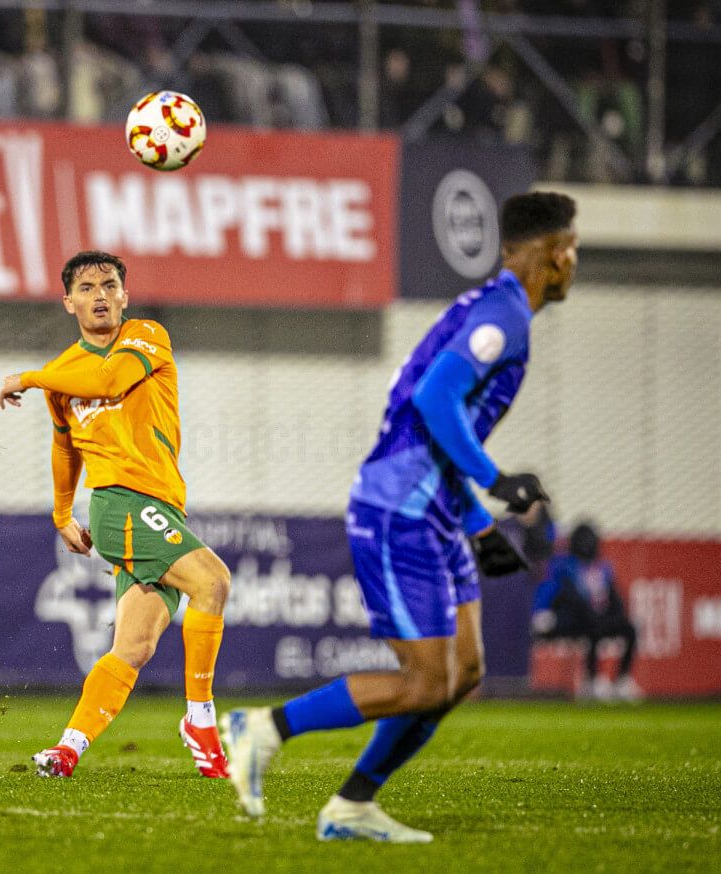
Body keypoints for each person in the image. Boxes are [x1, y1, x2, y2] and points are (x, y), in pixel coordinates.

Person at [222, 192, 579, 842]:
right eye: (572, 249)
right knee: (426, 683)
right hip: (399, 510)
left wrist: (477, 523)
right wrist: (495, 481)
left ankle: (352, 806)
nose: (574, 262)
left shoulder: (489, 308)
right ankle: (265, 728)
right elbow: (435, 399)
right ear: (553, 256)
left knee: (464, 673)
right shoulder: (504, 316)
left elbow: (438, 428)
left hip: (436, 510)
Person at [0, 250, 231, 779]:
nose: (99, 295)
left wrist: (31, 377)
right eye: (86, 287)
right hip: (119, 504)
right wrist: (62, 512)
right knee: (213, 582)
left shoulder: (146, 336)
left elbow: (108, 381)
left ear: (125, 295)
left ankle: (66, 749)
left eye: (109, 285)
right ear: (69, 302)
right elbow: (65, 447)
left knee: (134, 646)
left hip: (162, 505)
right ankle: (200, 718)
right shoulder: (61, 373)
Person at [532, 522, 642, 702]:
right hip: (572, 620)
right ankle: (592, 680)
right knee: (593, 628)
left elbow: (614, 597)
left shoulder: (603, 568)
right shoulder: (565, 566)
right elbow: (571, 598)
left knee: (629, 629)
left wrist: (615, 618)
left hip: (599, 619)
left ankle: (622, 680)